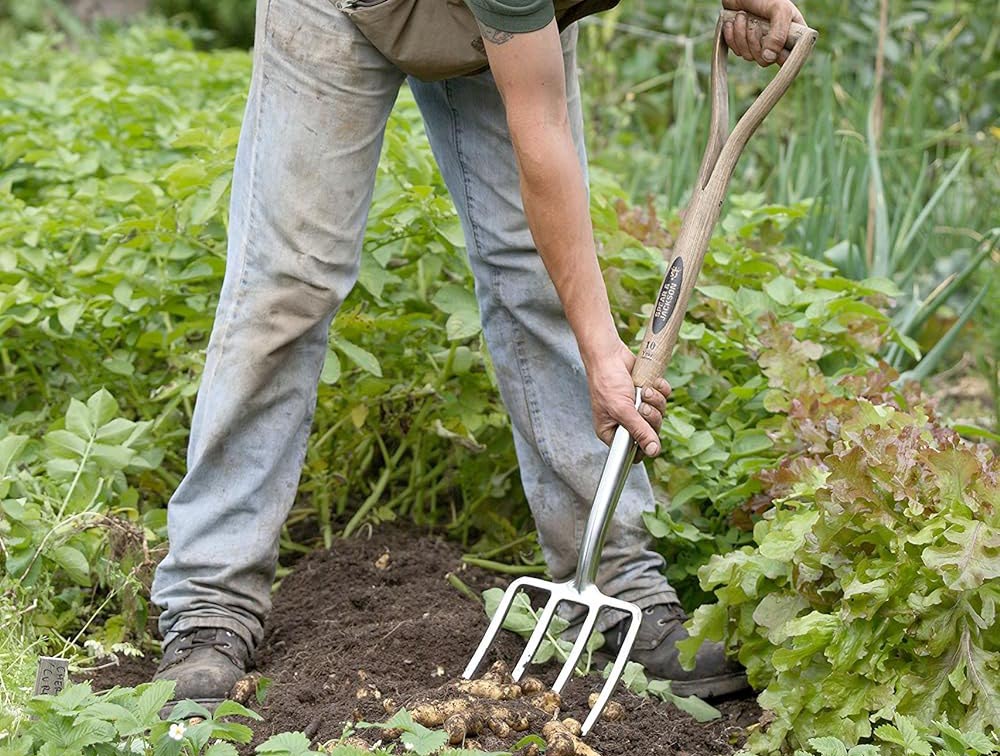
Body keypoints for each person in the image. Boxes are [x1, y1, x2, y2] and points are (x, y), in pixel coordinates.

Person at [149, 0, 807, 711]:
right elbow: (541, 131)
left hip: (508, 20)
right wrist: (600, 349)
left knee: (539, 268)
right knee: (289, 282)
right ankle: (209, 605)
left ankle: (617, 585)